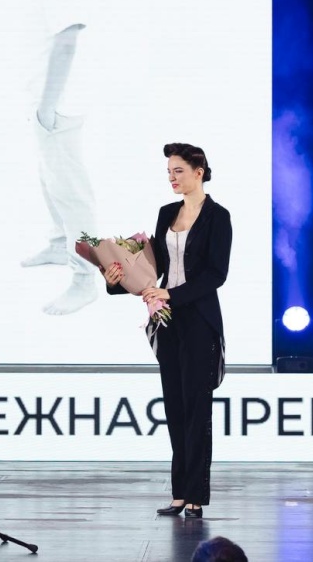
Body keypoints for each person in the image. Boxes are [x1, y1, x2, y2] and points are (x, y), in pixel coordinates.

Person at [103, 143, 231, 519]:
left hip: (200, 321)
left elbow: (216, 274)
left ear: (199, 172)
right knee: (175, 407)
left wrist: (172, 294)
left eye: (178, 171)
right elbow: (153, 268)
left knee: (197, 410)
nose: (172, 178)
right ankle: (179, 494)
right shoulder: (166, 213)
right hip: (167, 320)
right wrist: (116, 279)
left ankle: (196, 496)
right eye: (169, 172)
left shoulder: (218, 217)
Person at [17, 0, 100, 316]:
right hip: (43, 100)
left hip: (58, 104)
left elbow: (66, 44)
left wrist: (48, 105)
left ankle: (86, 278)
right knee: (50, 179)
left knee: (72, 193)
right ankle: (57, 243)